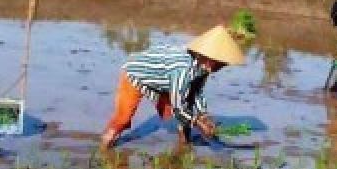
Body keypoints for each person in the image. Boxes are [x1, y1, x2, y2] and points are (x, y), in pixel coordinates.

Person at [100, 25, 245, 150]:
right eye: (220, 63)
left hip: (163, 78)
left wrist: (203, 115)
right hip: (135, 75)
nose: (222, 67)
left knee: (184, 106)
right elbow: (179, 108)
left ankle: (184, 143)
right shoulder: (182, 69)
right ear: (209, 59)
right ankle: (105, 147)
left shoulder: (203, 66)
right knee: (123, 118)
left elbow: (196, 92)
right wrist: (197, 122)